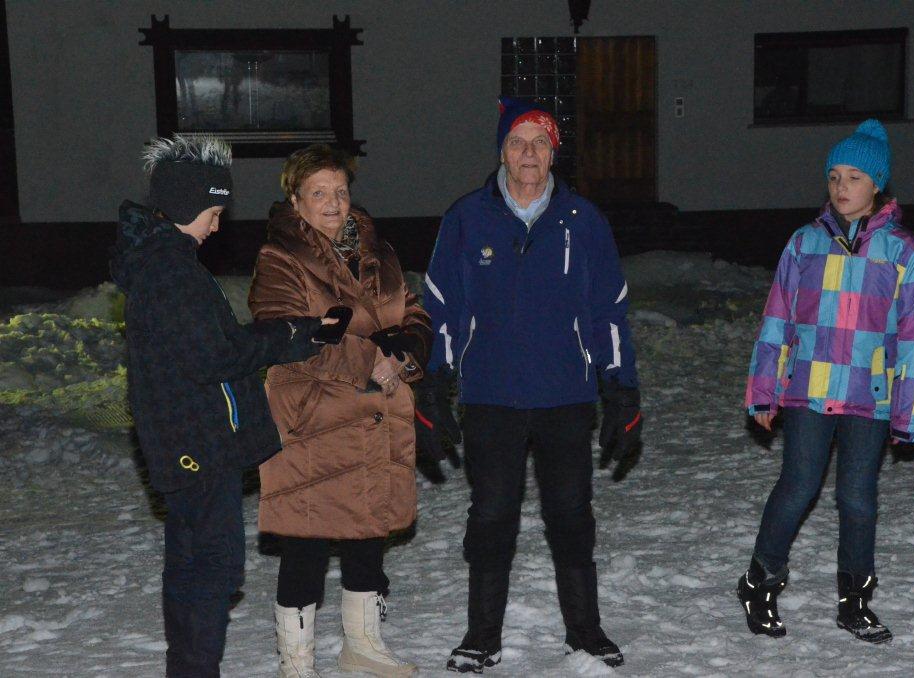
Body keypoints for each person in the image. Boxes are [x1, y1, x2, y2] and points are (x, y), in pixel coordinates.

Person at [418, 97, 644, 673]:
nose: (528, 154)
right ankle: (481, 636)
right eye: (517, 142)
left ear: (553, 155)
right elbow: (441, 308)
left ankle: (585, 631)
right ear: (501, 151)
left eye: (539, 143)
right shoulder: (466, 218)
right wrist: (432, 384)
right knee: (491, 514)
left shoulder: (583, 221)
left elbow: (609, 310)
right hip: (490, 396)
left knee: (571, 514)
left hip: (565, 395)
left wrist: (620, 388)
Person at [110, 135, 332, 677]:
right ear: (189, 206)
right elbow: (216, 355)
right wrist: (288, 335)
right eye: (213, 214)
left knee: (194, 564)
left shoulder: (165, 262)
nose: (216, 226)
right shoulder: (171, 271)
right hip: (196, 444)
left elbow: (211, 347)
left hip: (188, 441)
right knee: (211, 568)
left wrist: (290, 334)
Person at [740, 119, 914, 644]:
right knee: (798, 487)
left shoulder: (903, 251)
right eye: (834, 177)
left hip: (868, 396)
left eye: (854, 177)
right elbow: (777, 320)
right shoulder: (804, 244)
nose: (841, 187)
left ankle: (855, 601)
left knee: (858, 499)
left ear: (877, 184)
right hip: (807, 389)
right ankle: (760, 582)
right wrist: (764, 390)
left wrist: (909, 410)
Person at [248, 144, 430, 678]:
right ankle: (297, 662)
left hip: (376, 414)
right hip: (315, 417)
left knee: (368, 533)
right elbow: (287, 333)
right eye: (319, 193)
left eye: (341, 191)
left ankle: (362, 646)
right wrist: (373, 355)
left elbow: (413, 312)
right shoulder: (279, 258)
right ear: (296, 201)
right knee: (306, 542)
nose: (333, 203)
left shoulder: (378, 252)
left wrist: (404, 354)